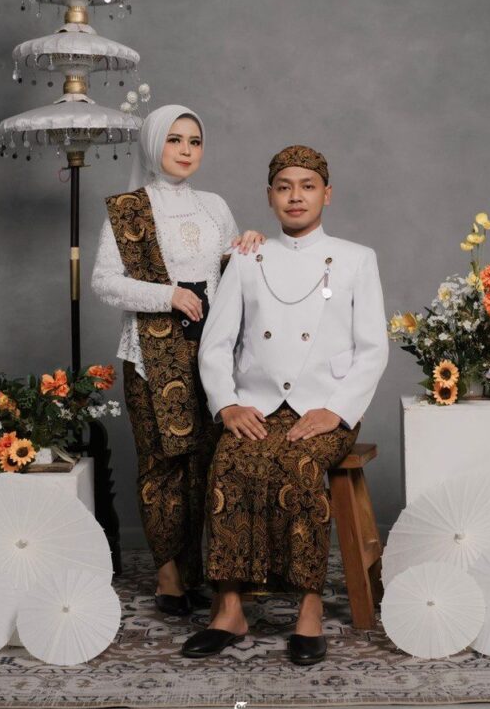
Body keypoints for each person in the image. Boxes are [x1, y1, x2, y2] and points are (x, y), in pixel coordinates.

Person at [181, 145, 389, 664]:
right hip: (257, 404)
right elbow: (215, 344)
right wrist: (227, 405)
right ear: (270, 196)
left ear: (327, 194)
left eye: (307, 186)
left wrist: (338, 411)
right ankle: (230, 609)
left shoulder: (357, 258)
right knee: (229, 463)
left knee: (298, 467)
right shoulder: (247, 257)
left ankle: (308, 608)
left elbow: (373, 348)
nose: (296, 196)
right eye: (284, 187)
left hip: (326, 407)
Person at [91, 104, 265, 616]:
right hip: (151, 355)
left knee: (209, 461)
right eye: (174, 140)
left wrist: (249, 246)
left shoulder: (214, 206)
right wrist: (167, 295)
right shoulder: (129, 209)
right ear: (152, 144)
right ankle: (169, 576)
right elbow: (104, 281)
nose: (186, 150)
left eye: (195, 141)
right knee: (163, 463)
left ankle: (204, 571)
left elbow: (233, 273)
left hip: (212, 351)